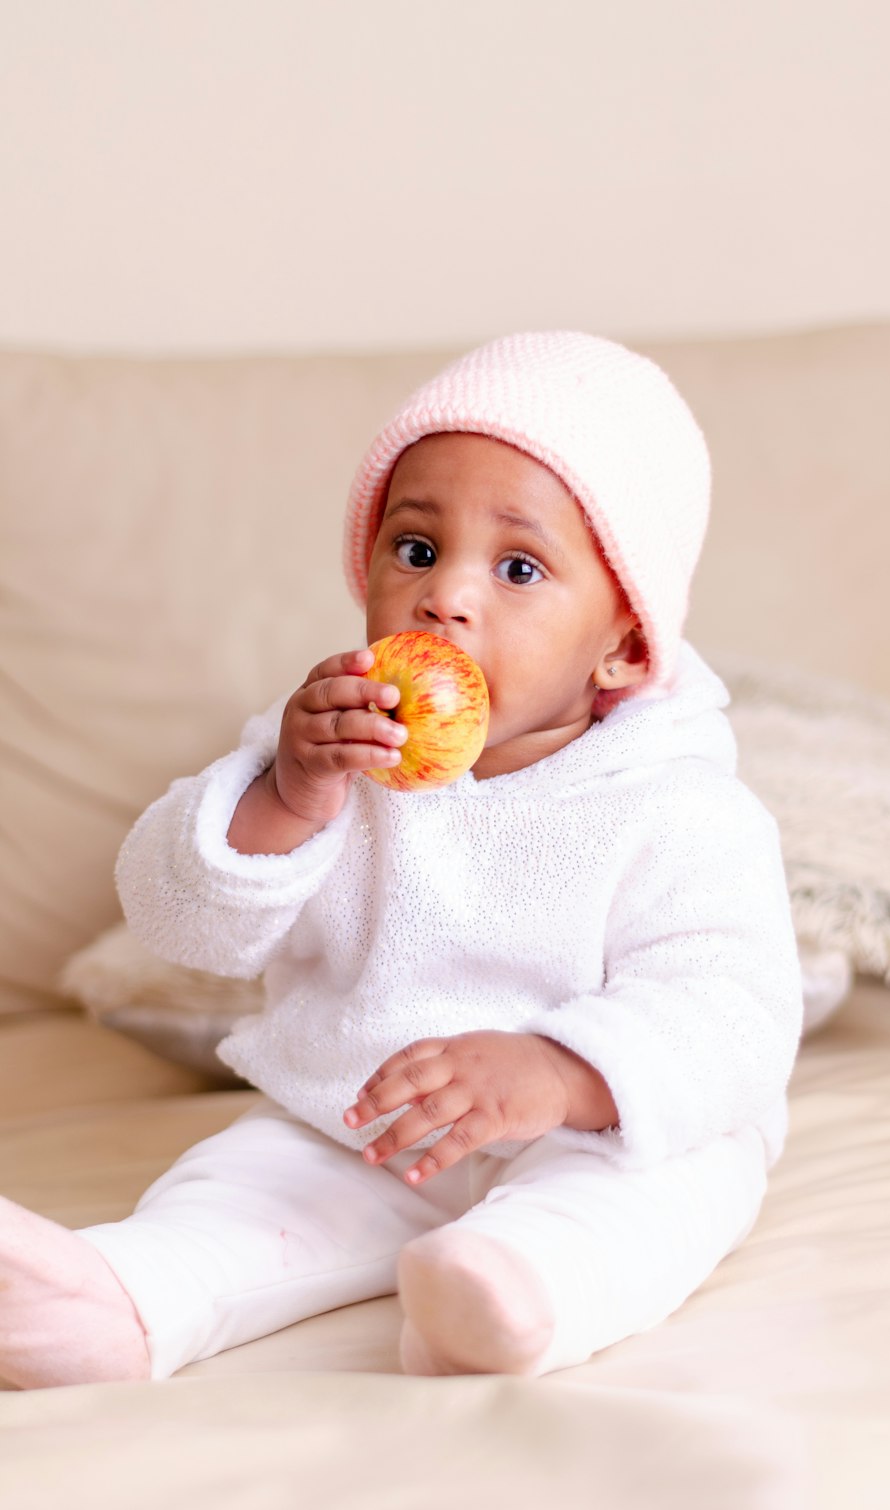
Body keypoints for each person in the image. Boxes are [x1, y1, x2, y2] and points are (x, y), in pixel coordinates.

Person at [0, 331, 802, 1388]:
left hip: (599, 1127)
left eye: (518, 567)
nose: (445, 598)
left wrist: (562, 1071)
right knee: (248, 1184)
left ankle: (511, 1292)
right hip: (366, 1119)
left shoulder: (682, 807)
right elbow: (174, 919)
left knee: (662, 1190)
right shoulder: (327, 758)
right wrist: (284, 797)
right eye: (415, 550)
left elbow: (734, 1012)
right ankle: (122, 1300)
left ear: (626, 646)